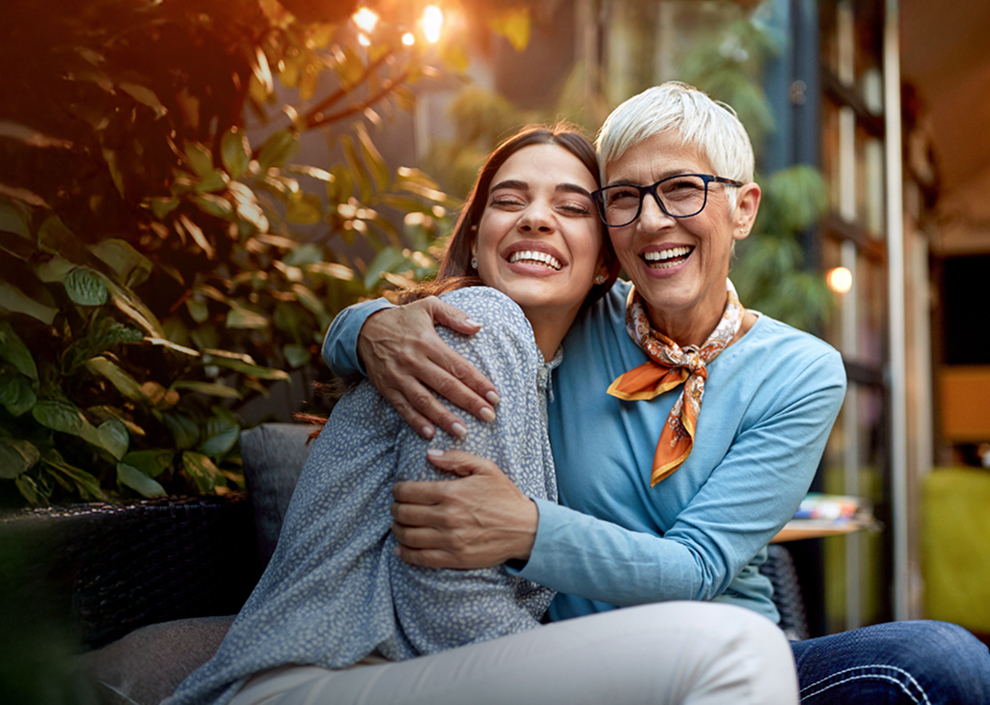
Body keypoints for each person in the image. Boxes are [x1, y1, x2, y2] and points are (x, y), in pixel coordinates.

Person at [324, 82, 990, 704]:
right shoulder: (572, 314)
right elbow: (455, 307)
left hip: (735, 657)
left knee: (941, 658)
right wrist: (366, 327)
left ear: (744, 209)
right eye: (624, 197)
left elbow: (699, 565)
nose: (652, 221)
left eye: (682, 189)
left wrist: (525, 527)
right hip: (576, 663)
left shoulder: (801, 370)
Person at [167, 124, 800, 705]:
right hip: (321, 679)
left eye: (573, 208)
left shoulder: (548, 367)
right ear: (475, 235)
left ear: (607, 262)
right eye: (508, 200)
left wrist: (357, 325)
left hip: (399, 673)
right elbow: (447, 608)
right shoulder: (481, 325)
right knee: (739, 651)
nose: (536, 220)